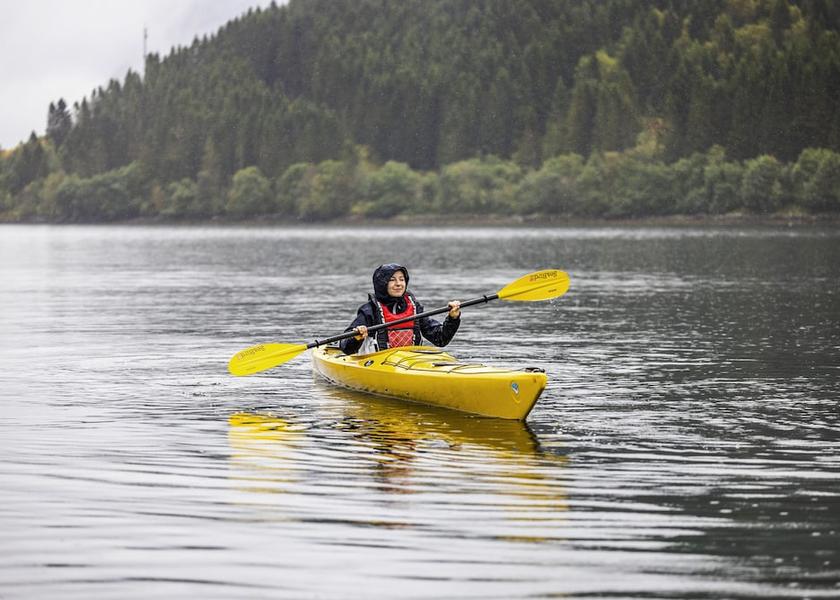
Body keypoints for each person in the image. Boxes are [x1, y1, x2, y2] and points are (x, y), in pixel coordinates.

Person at [340, 263, 461, 355]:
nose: (398, 284)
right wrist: (356, 337)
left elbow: (440, 339)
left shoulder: (414, 307)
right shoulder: (369, 310)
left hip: (411, 362)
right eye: (392, 280)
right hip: (378, 365)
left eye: (401, 279)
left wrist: (453, 318)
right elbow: (345, 347)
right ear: (382, 284)